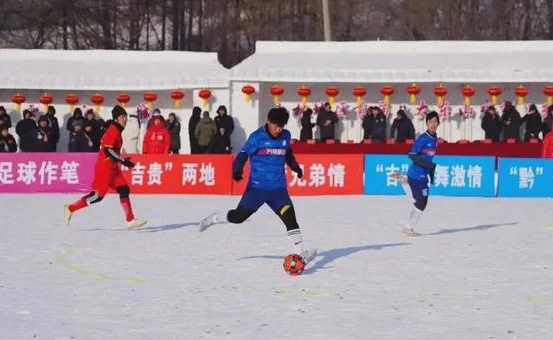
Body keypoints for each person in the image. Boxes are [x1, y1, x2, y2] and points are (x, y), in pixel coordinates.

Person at [198, 107, 317, 264]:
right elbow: (243, 155)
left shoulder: (285, 136)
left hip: (278, 191)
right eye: (276, 125)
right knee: (238, 217)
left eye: (281, 126)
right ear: (268, 121)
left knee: (290, 219)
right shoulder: (257, 137)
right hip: (257, 190)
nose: (278, 129)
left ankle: (300, 255)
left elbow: (287, 153)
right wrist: (236, 170)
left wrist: (295, 168)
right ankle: (214, 219)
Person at [63, 105, 147, 229]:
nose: (125, 119)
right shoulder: (113, 130)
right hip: (105, 168)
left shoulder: (117, 130)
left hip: (113, 168)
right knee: (97, 196)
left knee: (124, 189)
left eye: (125, 116)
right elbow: (108, 150)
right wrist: (122, 160)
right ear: (116, 119)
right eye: (122, 116)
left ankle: (130, 220)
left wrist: (121, 160)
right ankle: (70, 208)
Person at [392, 111, 439, 237]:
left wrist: (431, 173)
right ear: (427, 123)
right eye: (430, 122)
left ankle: (404, 181)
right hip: (417, 174)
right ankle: (408, 228)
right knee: (421, 202)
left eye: (435, 122)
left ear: (438, 123)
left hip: (422, 174)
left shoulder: (435, 138)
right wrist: (428, 165)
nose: (433, 124)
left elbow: (429, 159)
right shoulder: (423, 138)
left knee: (419, 201)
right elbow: (412, 154)